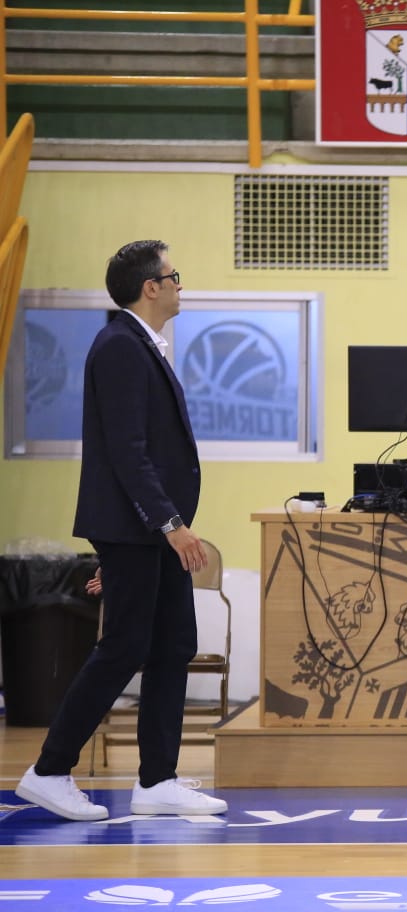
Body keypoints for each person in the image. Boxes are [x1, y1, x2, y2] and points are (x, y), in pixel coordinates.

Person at [15, 240, 227, 822]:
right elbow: (128, 454)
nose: (182, 283)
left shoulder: (143, 347)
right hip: (143, 530)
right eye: (173, 275)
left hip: (147, 534)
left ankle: (156, 780)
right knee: (124, 647)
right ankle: (50, 770)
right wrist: (170, 524)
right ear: (150, 288)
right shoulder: (119, 347)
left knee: (174, 644)